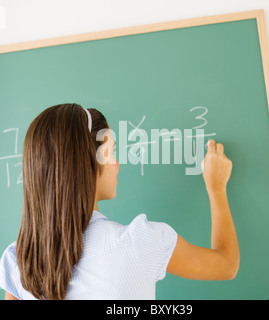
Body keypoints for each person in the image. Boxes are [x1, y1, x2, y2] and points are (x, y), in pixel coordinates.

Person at [0, 103, 239, 300]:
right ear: (87, 164)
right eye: (111, 152)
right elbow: (227, 265)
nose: (116, 163)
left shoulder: (19, 261)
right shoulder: (140, 241)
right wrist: (216, 186)